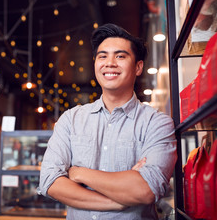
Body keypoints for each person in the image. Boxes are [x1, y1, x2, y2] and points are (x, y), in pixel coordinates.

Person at [38, 23, 177, 219]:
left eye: (120, 56)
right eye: (102, 56)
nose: (109, 63)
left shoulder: (157, 123)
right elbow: (50, 181)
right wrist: (117, 202)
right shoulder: (70, 120)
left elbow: (146, 190)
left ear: (138, 67)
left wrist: (77, 172)